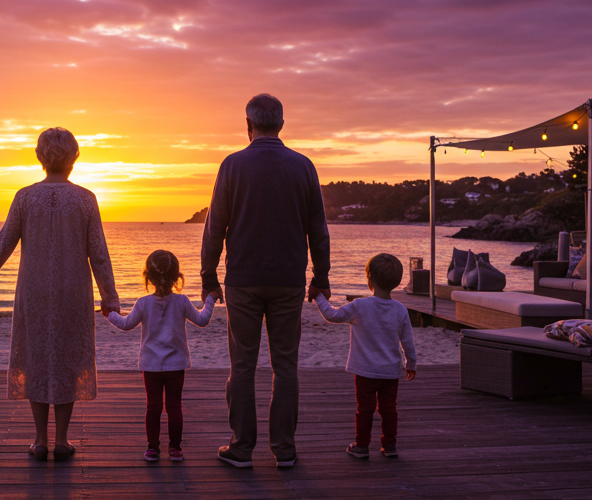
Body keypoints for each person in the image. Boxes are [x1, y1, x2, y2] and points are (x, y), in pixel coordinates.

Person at [0, 127, 119, 462]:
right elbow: (99, 254)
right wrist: (110, 299)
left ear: (40, 156)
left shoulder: (25, 197)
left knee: (36, 358)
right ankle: (61, 440)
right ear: (74, 156)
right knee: (66, 360)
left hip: (33, 290)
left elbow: (2, 245)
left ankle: (39, 441)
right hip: (73, 290)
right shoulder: (85, 199)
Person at [201, 93, 330, 469]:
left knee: (242, 366)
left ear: (248, 124)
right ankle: (284, 449)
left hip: (243, 279)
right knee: (285, 366)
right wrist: (320, 277)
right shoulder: (303, 166)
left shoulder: (233, 165)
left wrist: (209, 277)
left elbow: (214, 228)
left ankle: (242, 448)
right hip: (289, 279)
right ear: (282, 124)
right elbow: (317, 230)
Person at [102, 249, 216, 463]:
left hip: (151, 366)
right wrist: (210, 298)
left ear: (148, 277)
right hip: (176, 365)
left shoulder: (143, 303)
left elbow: (126, 325)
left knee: (152, 407)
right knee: (174, 406)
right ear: (177, 277)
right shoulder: (182, 301)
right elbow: (202, 320)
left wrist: (111, 315)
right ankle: (175, 449)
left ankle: (152, 448)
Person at [313, 253, 417, 460]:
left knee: (365, 410)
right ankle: (389, 445)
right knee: (389, 410)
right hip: (390, 372)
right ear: (396, 282)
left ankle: (361, 446)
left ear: (369, 278)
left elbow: (331, 315)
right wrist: (411, 364)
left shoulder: (360, 306)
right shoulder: (400, 309)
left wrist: (318, 296)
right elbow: (408, 342)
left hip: (365, 371)